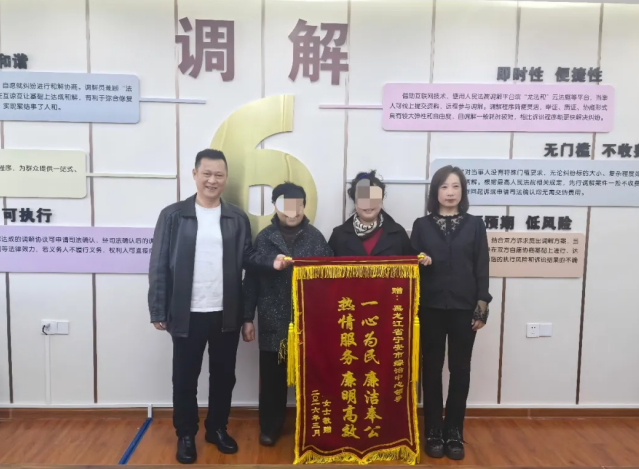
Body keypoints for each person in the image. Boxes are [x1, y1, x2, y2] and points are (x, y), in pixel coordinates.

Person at [148, 149, 292, 465]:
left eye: (219, 175)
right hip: (186, 312)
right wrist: (157, 309)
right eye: (207, 174)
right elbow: (159, 264)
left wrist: (272, 261)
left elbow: (247, 257)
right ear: (195, 174)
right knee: (184, 378)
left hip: (226, 311)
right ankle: (186, 434)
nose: (212, 180)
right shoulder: (173, 215)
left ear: (226, 178)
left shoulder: (236, 218)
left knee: (224, 376)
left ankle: (217, 429)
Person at [410, 165, 491, 461]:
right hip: (430, 307)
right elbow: (410, 263)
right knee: (431, 370)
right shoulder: (421, 225)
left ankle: (454, 431)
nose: (450, 192)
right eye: (444, 186)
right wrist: (419, 260)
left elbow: (482, 265)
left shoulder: (475, 225)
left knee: (460, 370)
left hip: (464, 308)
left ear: (463, 191)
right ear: (435, 191)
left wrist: (482, 306)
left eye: (455, 186)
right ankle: (433, 430)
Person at [242, 182, 332, 447]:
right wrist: (247, 318)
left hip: (310, 322)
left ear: (304, 206)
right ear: (275, 206)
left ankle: (313, 425)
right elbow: (251, 282)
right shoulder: (264, 238)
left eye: (297, 205)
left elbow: (331, 281)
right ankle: (270, 427)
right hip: (273, 320)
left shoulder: (316, 238)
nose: (292, 212)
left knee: (312, 377)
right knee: (272, 379)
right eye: (285, 206)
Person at [328, 170, 418, 257]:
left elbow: (412, 264)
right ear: (355, 202)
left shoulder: (398, 234)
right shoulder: (338, 235)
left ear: (381, 201)